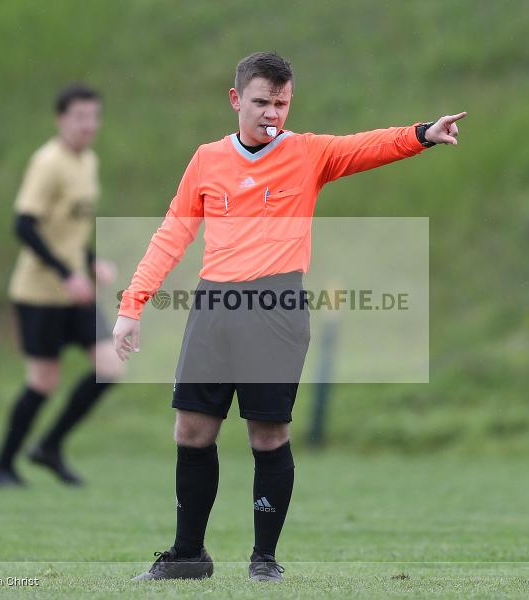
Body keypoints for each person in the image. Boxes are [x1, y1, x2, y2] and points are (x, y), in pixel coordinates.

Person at [114, 52, 465, 581]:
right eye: (261, 102)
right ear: (236, 100)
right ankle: (188, 556)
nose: (271, 113)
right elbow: (172, 234)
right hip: (214, 305)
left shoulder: (308, 153)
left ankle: (264, 561)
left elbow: (364, 146)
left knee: (268, 436)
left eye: (280, 103)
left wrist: (421, 134)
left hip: (276, 308)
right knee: (191, 429)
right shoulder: (208, 159)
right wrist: (132, 305)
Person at [0, 83, 123, 488]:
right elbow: (24, 225)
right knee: (43, 381)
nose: (88, 125)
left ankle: (49, 447)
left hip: (76, 291)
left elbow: (68, 230)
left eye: (94, 117)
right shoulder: (47, 163)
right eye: (80, 117)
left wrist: (92, 261)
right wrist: (67, 274)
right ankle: (2, 466)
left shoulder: (89, 162)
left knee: (110, 367)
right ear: (61, 119)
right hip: (40, 293)